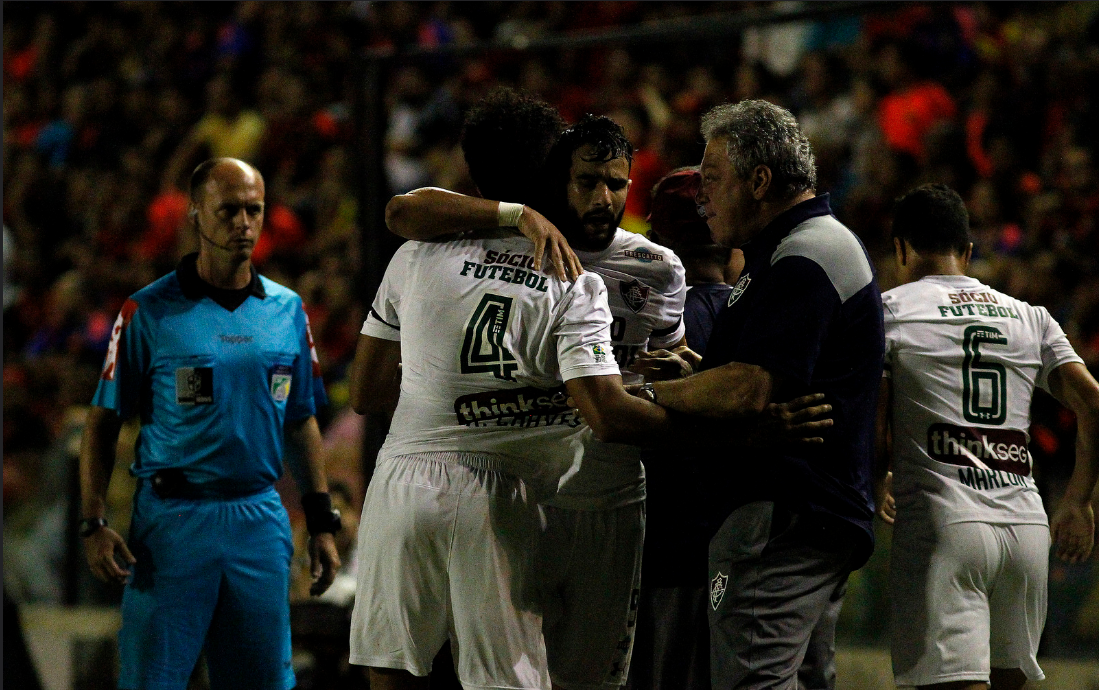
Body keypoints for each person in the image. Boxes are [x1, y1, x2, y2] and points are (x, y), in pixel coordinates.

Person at [347, 89, 676, 690]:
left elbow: (365, 392)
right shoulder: (573, 277)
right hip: (499, 493)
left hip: (400, 478)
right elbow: (606, 412)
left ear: (470, 170)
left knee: (390, 668)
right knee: (506, 679)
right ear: (554, 171)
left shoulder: (416, 254)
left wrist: (443, 393)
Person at [640, 99, 885, 690]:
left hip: (783, 521)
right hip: (801, 520)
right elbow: (743, 374)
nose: (705, 199)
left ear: (759, 180)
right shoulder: (781, 255)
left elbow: (748, 388)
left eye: (714, 180)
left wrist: (649, 391)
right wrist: (702, 375)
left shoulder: (804, 255)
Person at [79, 157, 341, 690]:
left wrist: (321, 523)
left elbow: (302, 421)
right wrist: (93, 521)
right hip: (174, 522)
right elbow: (102, 422)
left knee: (264, 682)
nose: (244, 224)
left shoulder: (287, 311)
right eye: (229, 210)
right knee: (154, 681)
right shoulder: (148, 313)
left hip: (259, 520)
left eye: (254, 210)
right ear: (196, 215)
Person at [877, 183, 1099, 690]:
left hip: (944, 526)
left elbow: (875, 421)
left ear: (901, 249)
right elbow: (1093, 403)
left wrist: (875, 481)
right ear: (968, 252)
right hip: (1026, 526)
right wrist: (1078, 502)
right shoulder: (1030, 316)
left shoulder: (886, 311)